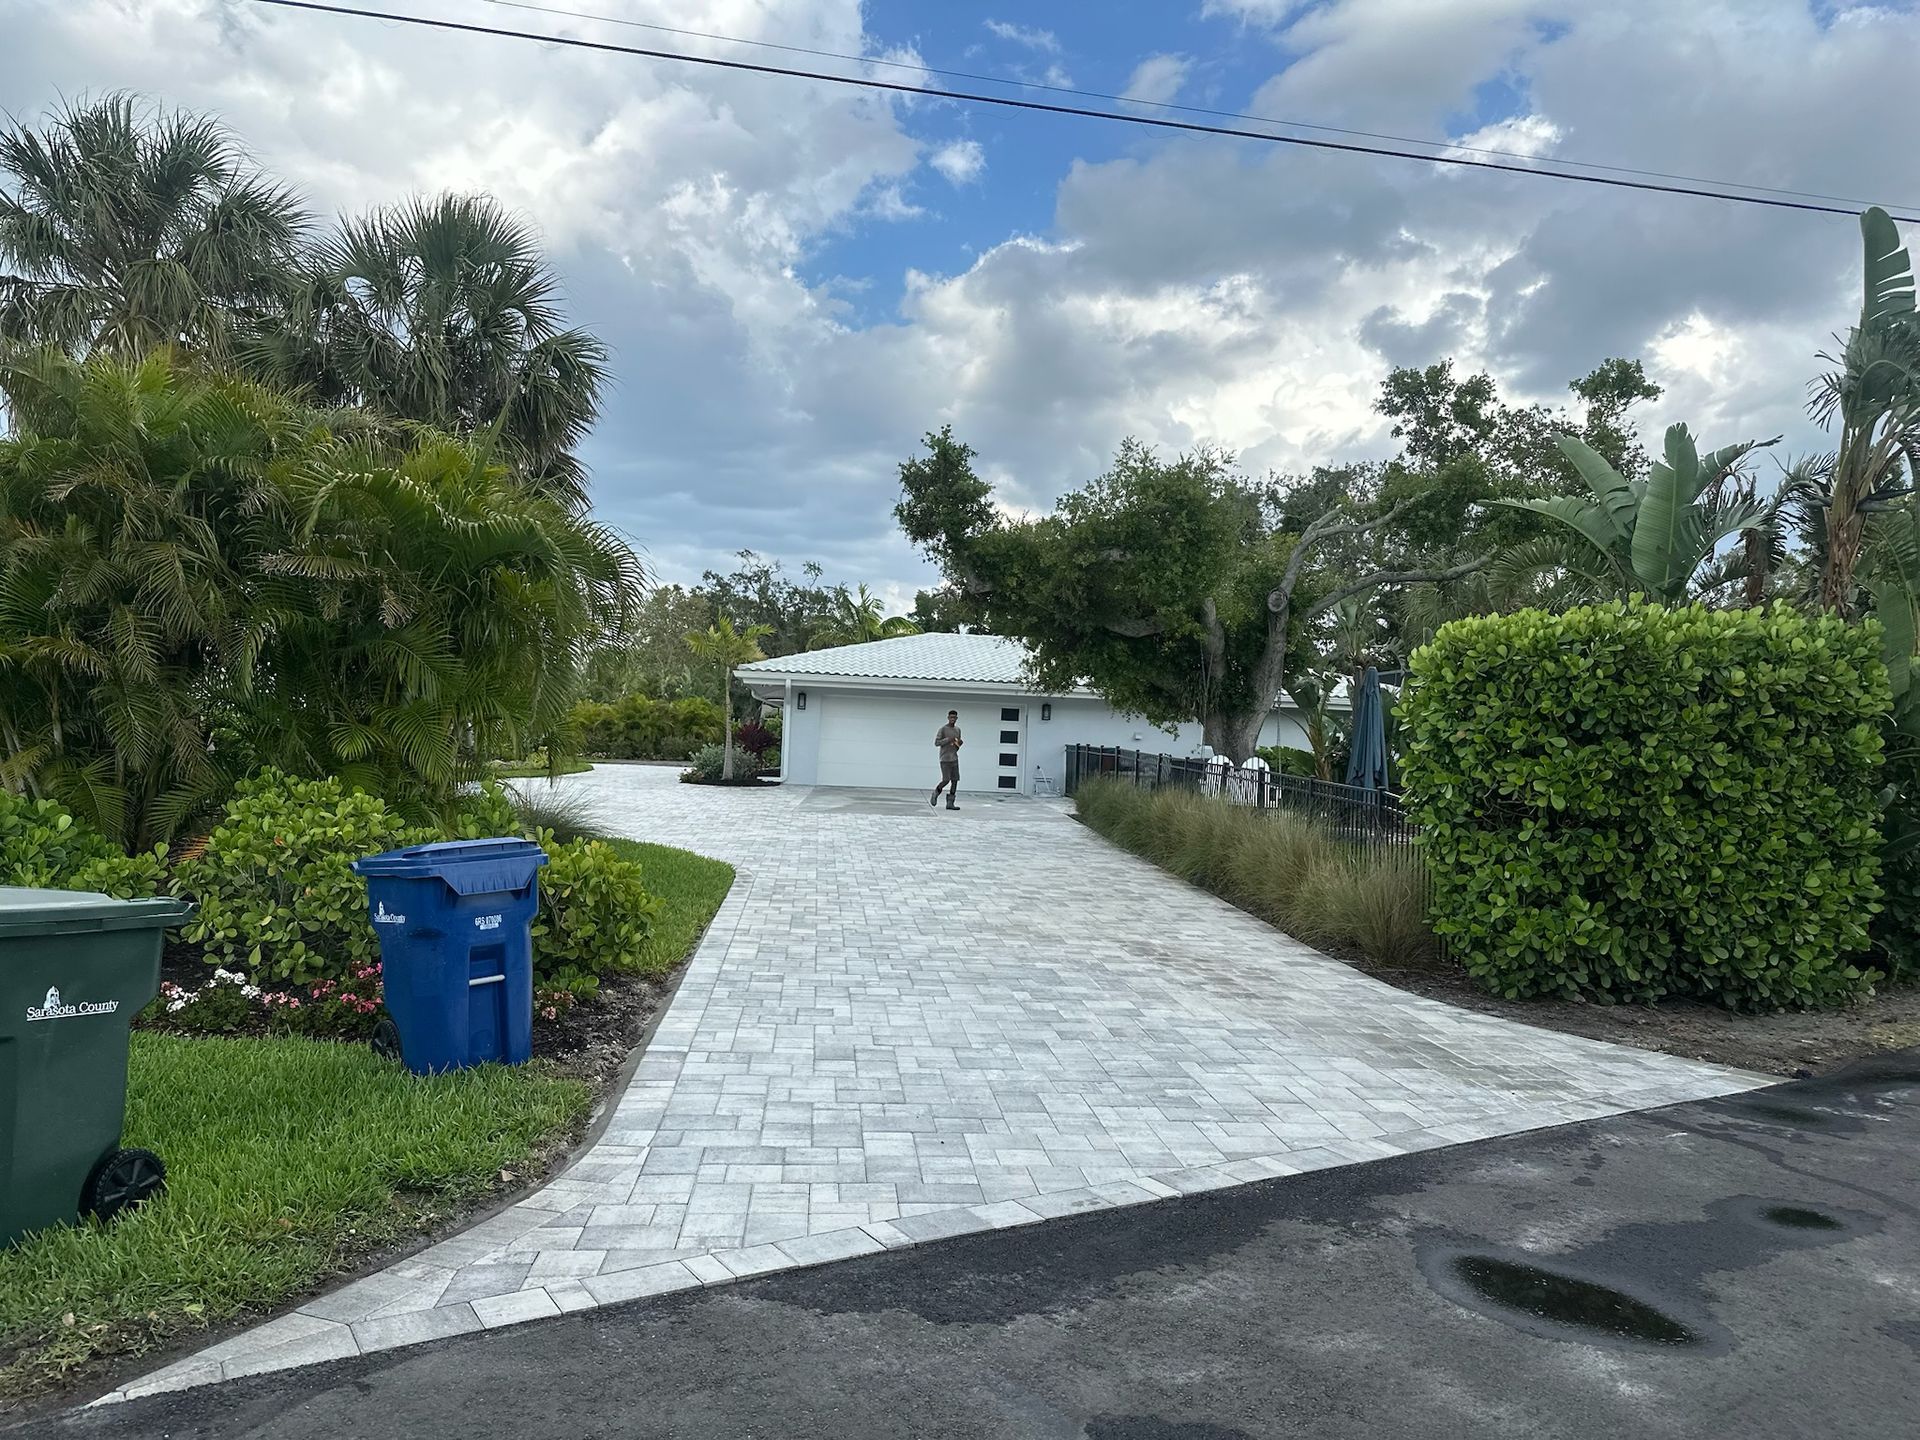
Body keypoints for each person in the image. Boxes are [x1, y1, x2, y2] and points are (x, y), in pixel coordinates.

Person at [930, 709, 963, 809]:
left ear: (956, 718)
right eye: (951, 717)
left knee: (955, 780)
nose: (952, 719)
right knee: (946, 780)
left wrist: (958, 744)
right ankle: (936, 792)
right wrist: (948, 740)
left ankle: (950, 803)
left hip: (954, 758)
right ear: (948, 718)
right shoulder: (943, 729)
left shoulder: (958, 730)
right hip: (945, 759)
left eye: (954, 717)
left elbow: (956, 746)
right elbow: (937, 742)